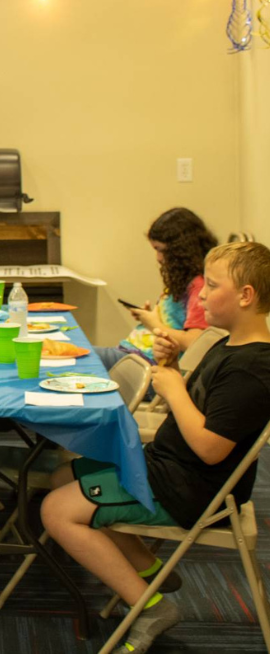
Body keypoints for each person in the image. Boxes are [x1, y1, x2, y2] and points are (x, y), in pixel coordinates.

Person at [40, 241, 270, 653]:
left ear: (246, 296)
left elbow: (211, 449)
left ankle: (151, 607)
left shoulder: (254, 369)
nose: (199, 294)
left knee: (55, 510)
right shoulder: (228, 345)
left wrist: (175, 388)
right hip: (166, 467)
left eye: (211, 286)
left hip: (189, 488)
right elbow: (202, 408)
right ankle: (150, 569)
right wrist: (172, 369)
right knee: (60, 475)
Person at [95, 208, 216, 371]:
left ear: (181, 250)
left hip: (150, 366)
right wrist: (152, 315)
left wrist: (153, 323)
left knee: (79, 358)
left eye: (161, 250)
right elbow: (174, 322)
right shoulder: (183, 280)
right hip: (138, 355)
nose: (158, 258)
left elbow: (194, 342)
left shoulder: (198, 287)